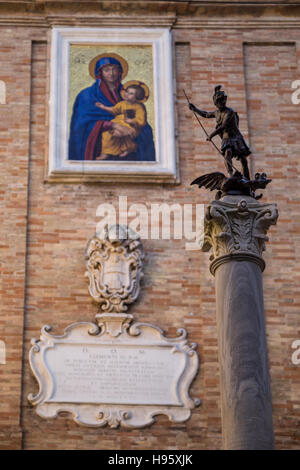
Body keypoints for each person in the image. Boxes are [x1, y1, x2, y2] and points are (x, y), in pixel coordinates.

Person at [68, 53, 155, 162]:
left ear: (120, 72)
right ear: (100, 73)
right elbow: (81, 124)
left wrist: (134, 127)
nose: (112, 73)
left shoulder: (128, 93)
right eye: (107, 70)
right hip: (99, 146)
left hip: (129, 148)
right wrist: (113, 125)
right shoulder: (88, 95)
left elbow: (140, 117)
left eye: (115, 69)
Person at [189, 85, 251, 180]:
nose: (221, 104)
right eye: (218, 102)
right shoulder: (217, 112)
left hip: (236, 137)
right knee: (227, 153)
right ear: (216, 103)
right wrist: (195, 109)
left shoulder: (229, 112)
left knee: (243, 159)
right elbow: (206, 114)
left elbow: (224, 126)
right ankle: (231, 175)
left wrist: (211, 135)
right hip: (227, 138)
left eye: (222, 101)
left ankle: (246, 177)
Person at [95, 82, 148, 159]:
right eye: (127, 91)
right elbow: (113, 110)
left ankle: (128, 148)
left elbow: (142, 120)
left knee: (119, 134)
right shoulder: (122, 103)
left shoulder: (139, 107)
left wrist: (132, 121)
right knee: (106, 133)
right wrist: (103, 107)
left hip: (132, 126)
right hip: (119, 123)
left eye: (131, 93)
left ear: (137, 97)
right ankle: (106, 153)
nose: (127, 94)